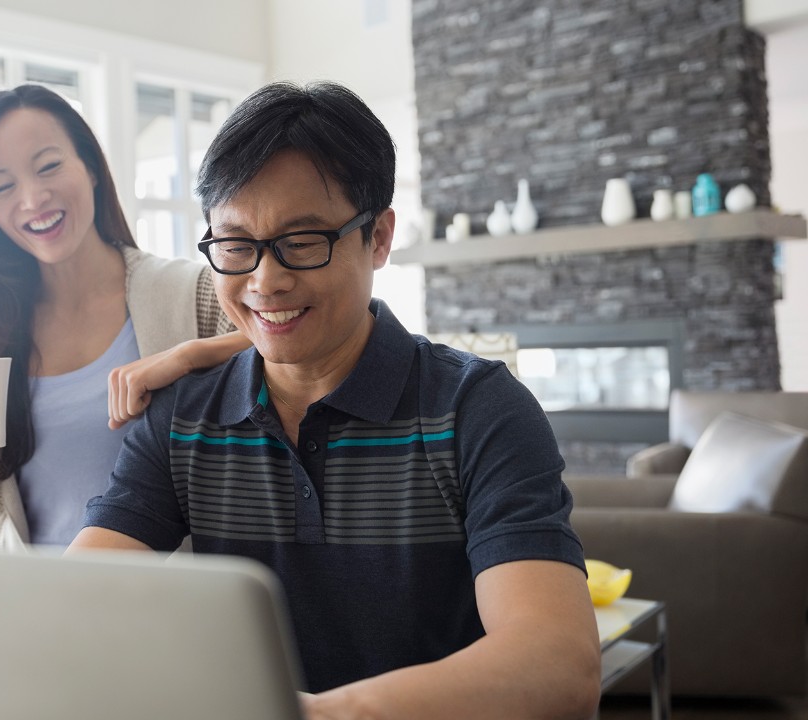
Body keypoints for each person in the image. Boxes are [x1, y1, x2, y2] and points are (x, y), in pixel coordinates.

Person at [69, 81, 602, 719]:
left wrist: (321, 714)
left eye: (303, 241)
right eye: (236, 245)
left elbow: (557, 662)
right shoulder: (185, 416)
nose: (265, 280)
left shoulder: (477, 409)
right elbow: (76, 598)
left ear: (377, 238)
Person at [0, 85, 248, 551]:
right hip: (34, 607)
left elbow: (293, 354)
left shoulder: (192, 292)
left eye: (48, 166)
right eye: (2, 187)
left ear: (91, 168)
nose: (33, 198)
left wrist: (186, 357)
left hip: (166, 603)